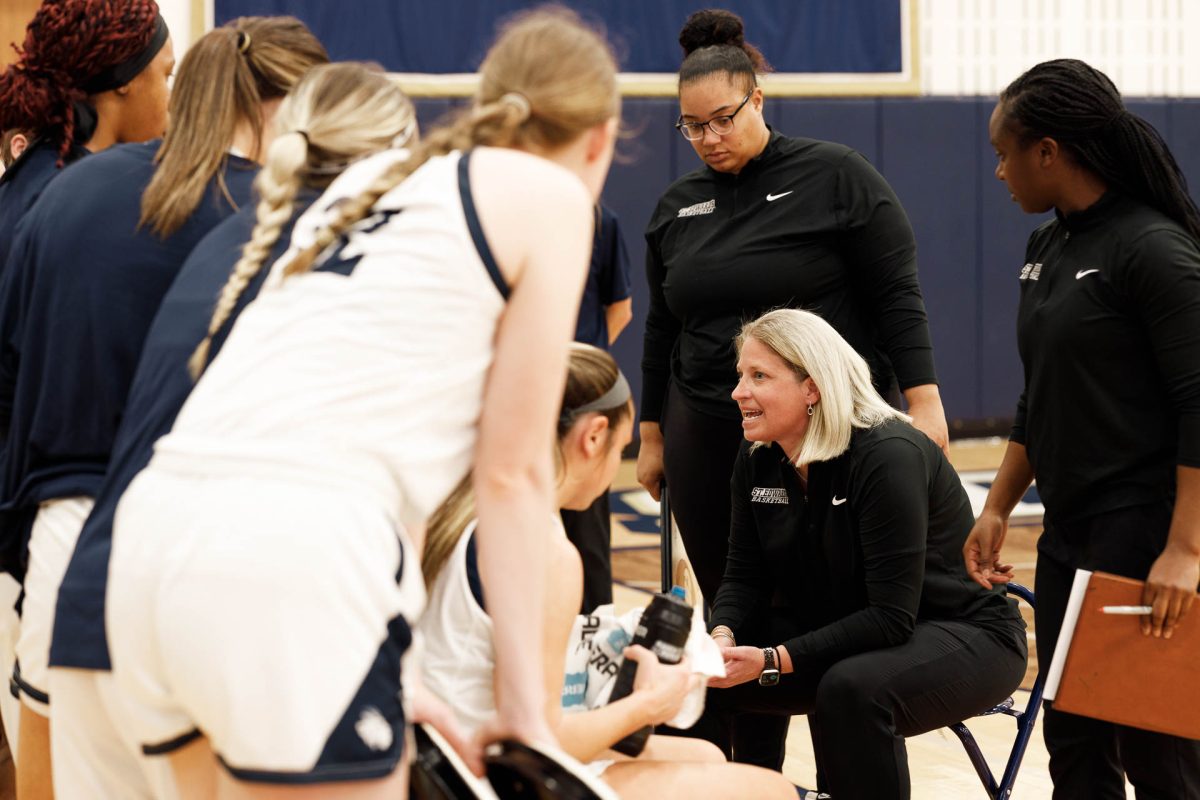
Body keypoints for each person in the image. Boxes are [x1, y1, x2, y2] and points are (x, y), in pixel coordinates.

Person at [103, 7, 620, 795]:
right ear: (602, 136)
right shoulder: (549, 197)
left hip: (151, 545)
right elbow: (512, 475)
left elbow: (387, 454)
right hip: (296, 557)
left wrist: (394, 661)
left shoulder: (370, 183)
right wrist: (527, 717)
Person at [44, 60, 409, 797]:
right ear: (397, 152)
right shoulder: (365, 254)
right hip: (217, 590)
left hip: (103, 587)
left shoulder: (236, 232)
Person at [0, 16, 327, 797]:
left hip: (67, 535)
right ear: (296, 103)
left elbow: (13, 373)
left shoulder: (67, 190)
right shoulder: (300, 217)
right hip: (219, 540)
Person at [637, 8, 948, 610]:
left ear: (758, 100)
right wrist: (652, 435)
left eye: (723, 120)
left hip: (819, 424)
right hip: (704, 422)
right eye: (693, 127)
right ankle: (744, 698)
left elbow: (896, 293)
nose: (710, 139)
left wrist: (925, 400)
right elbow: (661, 327)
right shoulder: (677, 206)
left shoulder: (835, 175)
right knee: (734, 593)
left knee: (825, 594)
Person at [968, 58, 1200, 798]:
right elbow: (1044, 393)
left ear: (1049, 152)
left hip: (1143, 536)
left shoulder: (1153, 250)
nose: (1000, 172)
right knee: (1072, 747)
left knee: (1158, 754)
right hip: (1069, 534)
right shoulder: (1049, 246)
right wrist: (999, 505)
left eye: (1006, 154)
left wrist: (1185, 550)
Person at [420, 343, 796, 800]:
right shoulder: (547, 552)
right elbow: (536, 743)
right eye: (620, 448)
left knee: (707, 757)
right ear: (593, 437)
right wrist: (649, 703)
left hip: (432, 755)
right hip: (483, 776)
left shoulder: (452, 509)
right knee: (770, 791)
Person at [690, 308, 1026, 799]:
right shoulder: (758, 456)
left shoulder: (888, 454)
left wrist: (772, 659)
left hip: (966, 633)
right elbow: (744, 576)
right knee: (691, 675)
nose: (738, 392)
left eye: (758, 376)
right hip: (853, 624)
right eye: (740, 375)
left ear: (812, 388)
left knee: (851, 688)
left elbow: (891, 617)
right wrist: (721, 636)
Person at [0, 0, 174, 267]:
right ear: (126, 79)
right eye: (166, 76)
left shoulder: (35, 172)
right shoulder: (87, 203)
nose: (170, 99)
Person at [562, 203, 632, 613]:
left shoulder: (599, 220)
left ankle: (593, 636)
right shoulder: (501, 218)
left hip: (583, 397)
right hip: (521, 394)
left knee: (587, 531)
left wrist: (581, 366)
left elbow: (620, 309)